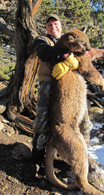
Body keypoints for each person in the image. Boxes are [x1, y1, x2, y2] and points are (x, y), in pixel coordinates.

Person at [23, 14, 92, 180]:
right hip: (49, 84)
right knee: (43, 121)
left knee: (83, 122)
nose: (52, 27)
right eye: (49, 25)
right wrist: (67, 56)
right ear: (46, 28)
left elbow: (85, 56)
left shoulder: (70, 40)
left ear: (61, 26)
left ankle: (77, 158)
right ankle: (37, 158)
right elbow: (44, 52)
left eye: (55, 24)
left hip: (71, 88)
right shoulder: (42, 40)